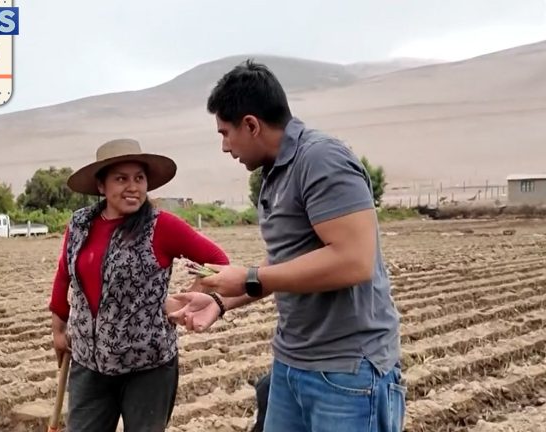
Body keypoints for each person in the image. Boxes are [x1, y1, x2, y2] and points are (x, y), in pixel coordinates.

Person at [168, 60, 406, 432]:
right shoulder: (276, 173)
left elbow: (354, 261)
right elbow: (286, 263)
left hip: (347, 370)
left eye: (225, 133)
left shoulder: (321, 159)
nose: (224, 146)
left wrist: (249, 276)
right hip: (292, 363)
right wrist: (220, 301)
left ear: (251, 124)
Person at [49, 138, 230, 432]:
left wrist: (189, 299)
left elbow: (218, 261)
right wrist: (58, 329)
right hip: (89, 363)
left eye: (139, 178)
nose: (133, 187)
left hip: (148, 366)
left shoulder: (162, 226)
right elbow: (63, 275)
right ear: (101, 186)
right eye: (121, 179)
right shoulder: (80, 225)